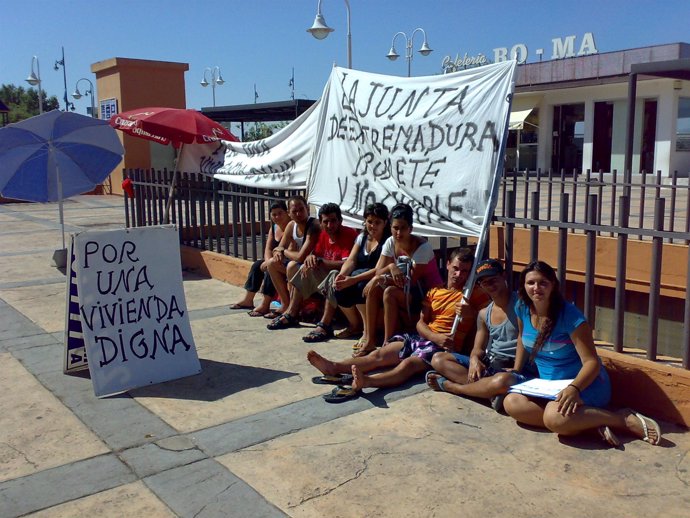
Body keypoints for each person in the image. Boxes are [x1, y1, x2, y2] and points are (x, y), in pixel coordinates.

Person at [502, 260, 662, 447]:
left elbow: (591, 362)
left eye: (543, 283)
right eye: (531, 283)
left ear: (553, 285)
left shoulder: (571, 316)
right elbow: (522, 337)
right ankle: (589, 424)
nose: (536, 288)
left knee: (554, 418)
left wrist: (574, 388)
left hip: (584, 385)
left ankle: (621, 419)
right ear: (523, 285)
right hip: (548, 387)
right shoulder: (521, 307)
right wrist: (516, 369)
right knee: (512, 403)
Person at [306, 247, 489, 402]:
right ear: (448, 265)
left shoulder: (472, 295)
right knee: (379, 355)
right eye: (455, 268)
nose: (458, 275)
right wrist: (434, 337)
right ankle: (334, 367)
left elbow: (487, 319)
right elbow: (420, 323)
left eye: (465, 271)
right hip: (425, 338)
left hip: (444, 349)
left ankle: (368, 381)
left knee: (407, 365)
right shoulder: (434, 291)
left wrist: (471, 314)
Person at [427, 258, 536, 411]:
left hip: (516, 368)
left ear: (503, 276)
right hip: (493, 364)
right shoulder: (484, 313)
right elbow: (478, 347)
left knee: (502, 381)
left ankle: (453, 387)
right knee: (438, 359)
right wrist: (474, 360)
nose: (490, 285)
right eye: (485, 282)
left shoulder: (521, 304)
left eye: (493, 280)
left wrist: (517, 369)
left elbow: (523, 338)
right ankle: (489, 393)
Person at [354, 203, 443, 356]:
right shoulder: (390, 242)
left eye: (403, 228)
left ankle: (388, 342)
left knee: (389, 292)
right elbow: (379, 270)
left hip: (426, 295)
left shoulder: (423, 247)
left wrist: (379, 278)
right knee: (375, 288)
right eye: (395, 228)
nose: (398, 233)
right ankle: (369, 340)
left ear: (411, 229)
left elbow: (408, 282)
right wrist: (389, 269)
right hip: (406, 291)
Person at [306, 203, 391, 343]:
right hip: (358, 276)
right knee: (338, 286)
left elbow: (378, 269)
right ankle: (355, 325)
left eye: (377, 222)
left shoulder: (388, 241)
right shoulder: (362, 237)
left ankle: (367, 331)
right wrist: (342, 275)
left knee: (360, 286)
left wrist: (352, 280)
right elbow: (351, 260)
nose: (373, 226)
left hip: (377, 279)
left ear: (385, 222)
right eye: (370, 222)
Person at [268, 203, 357, 332]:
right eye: (325, 222)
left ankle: (325, 325)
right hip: (325, 278)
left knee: (333, 274)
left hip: (344, 279)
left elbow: (347, 264)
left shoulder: (349, 234)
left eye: (333, 221)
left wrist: (320, 261)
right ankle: (292, 313)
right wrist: (311, 259)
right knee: (305, 268)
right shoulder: (323, 235)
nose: (329, 225)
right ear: (321, 223)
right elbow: (314, 256)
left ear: (340, 221)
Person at [230, 200, 291, 316]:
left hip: (286, 263)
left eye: (280, 213)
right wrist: (267, 260)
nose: (277, 217)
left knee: (271, 268)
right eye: (274, 214)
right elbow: (268, 248)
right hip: (274, 260)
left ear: (287, 212)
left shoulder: (291, 226)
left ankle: (265, 304)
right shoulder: (274, 228)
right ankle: (248, 299)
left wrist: (270, 263)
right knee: (257, 265)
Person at [265, 195, 321, 319]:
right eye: (294, 211)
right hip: (299, 265)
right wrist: (279, 252)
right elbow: (277, 249)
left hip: (314, 267)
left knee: (292, 265)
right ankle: (286, 304)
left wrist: (283, 251)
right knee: (272, 263)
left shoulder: (313, 225)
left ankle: (293, 309)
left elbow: (301, 256)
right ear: (289, 213)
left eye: (301, 209)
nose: (298, 213)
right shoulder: (291, 225)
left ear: (307, 208)